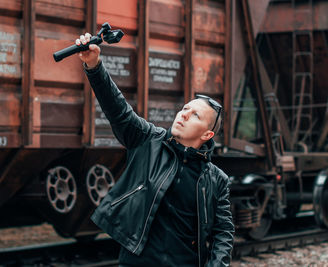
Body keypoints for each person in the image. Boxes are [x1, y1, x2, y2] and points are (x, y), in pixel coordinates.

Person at [76, 33, 234, 267]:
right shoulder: (148, 141)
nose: (184, 114)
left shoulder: (216, 180)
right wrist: (94, 65)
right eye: (185, 108)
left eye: (195, 115)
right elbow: (118, 109)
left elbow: (223, 233)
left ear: (207, 135)